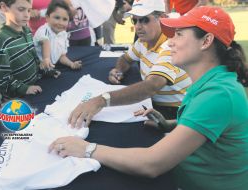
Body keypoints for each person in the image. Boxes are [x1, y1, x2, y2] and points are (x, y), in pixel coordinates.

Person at [49, 6, 248, 190]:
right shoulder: (214, 82)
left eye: (179, 35)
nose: (170, 41)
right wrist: (170, 125)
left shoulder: (219, 94)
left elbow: (151, 164)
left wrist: (86, 148)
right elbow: (212, 127)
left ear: (206, 41)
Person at [68, 0, 192, 128]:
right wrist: (118, 70)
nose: (138, 26)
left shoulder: (171, 46)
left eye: (144, 20)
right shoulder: (143, 41)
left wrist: (101, 100)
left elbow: (151, 86)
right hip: (153, 103)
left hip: (175, 112)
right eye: (135, 20)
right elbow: (126, 59)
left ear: (163, 18)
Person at [0, 0, 42, 99]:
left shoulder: (27, 30)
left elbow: (33, 57)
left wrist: (44, 70)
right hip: (18, 98)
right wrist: (24, 88)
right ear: (3, 7)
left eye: (29, 10)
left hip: (36, 86)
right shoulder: (1, 40)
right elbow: (0, 80)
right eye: (21, 9)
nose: (27, 15)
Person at [34, 0, 82, 70]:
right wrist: (46, 59)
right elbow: (45, 42)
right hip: (39, 70)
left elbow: (61, 56)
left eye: (65, 19)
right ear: (47, 18)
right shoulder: (43, 30)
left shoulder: (63, 34)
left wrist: (71, 64)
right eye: (57, 18)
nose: (60, 23)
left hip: (52, 68)